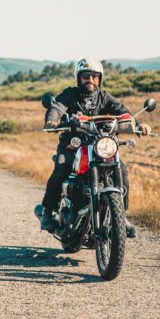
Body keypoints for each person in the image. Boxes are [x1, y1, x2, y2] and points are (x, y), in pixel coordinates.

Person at [39, 57, 151, 238]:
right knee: (61, 168)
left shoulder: (104, 97)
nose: (90, 80)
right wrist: (52, 120)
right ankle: (47, 212)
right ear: (79, 78)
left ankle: (121, 216)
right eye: (85, 76)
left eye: (94, 76)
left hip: (99, 145)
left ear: (99, 78)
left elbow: (123, 112)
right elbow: (57, 107)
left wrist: (138, 124)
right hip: (72, 145)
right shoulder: (70, 94)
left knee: (121, 169)